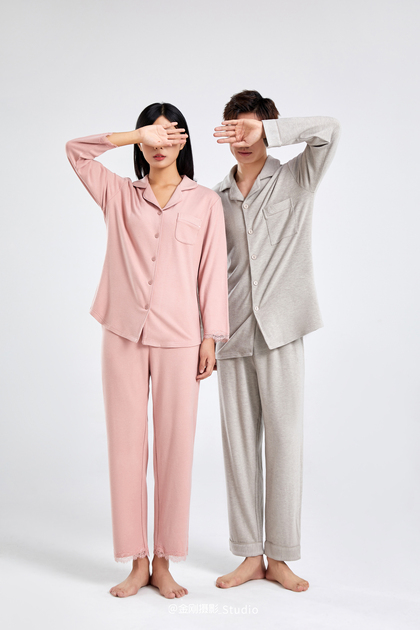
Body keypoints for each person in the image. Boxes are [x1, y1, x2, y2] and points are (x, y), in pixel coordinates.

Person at [65, 103, 229, 599]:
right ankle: (136, 560)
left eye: (169, 135)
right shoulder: (119, 193)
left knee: (176, 448)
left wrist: (211, 336)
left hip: (181, 338)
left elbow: (212, 271)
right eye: (152, 136)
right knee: (126, 446)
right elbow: (76, 152)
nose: (160, 144)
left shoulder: (205, 202)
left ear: (183, 141)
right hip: (123, 333)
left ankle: (164, 561)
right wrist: (133, 135)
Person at [212, 90, 341, 592]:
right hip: (232, 334)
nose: (242, 139)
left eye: (250, 130)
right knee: (239, 448)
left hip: (283, 331)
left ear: (267, 130)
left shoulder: (297, 177)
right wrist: (207, 334)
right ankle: (249, 554)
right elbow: (208, 273)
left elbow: (329, 129)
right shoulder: (215, 198)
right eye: (234, 130)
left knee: (285, 443)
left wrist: (266, 130)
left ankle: (281, 556)